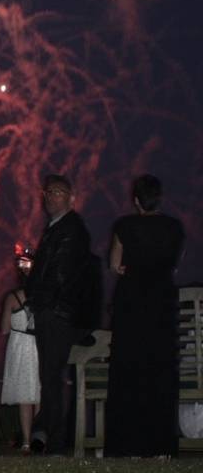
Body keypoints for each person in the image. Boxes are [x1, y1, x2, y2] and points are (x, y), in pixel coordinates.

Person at [105, 175, 185, 458]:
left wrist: (126, 268)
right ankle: (161, 446)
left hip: (132, 306)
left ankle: (128, 446)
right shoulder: (175, 227)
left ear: (136, 200)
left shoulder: (124, 226)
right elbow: (173, 265)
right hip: (161, 304)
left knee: (129, 373)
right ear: (159, 198)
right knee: (160, 372)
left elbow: (115, 265)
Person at [25, 174, 101, 456]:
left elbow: (61, 274)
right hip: (55, 310)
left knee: (51, 376)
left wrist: (38, 298)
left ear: (71, 196)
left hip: (57, 312)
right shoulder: (58, 228)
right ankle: (46, 434)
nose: (52, 196)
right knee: (50, 376)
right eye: (49, 192)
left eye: (59, 192)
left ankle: (52, 439)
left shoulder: (69, 229)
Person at [0, 258, 40, 455]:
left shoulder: (12, 297)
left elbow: (4, 328)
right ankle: (39, 438)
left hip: (20, 347)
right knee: (39, 394)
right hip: (40, 345)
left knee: (25, 396)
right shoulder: (45, 296)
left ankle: (26, 442)